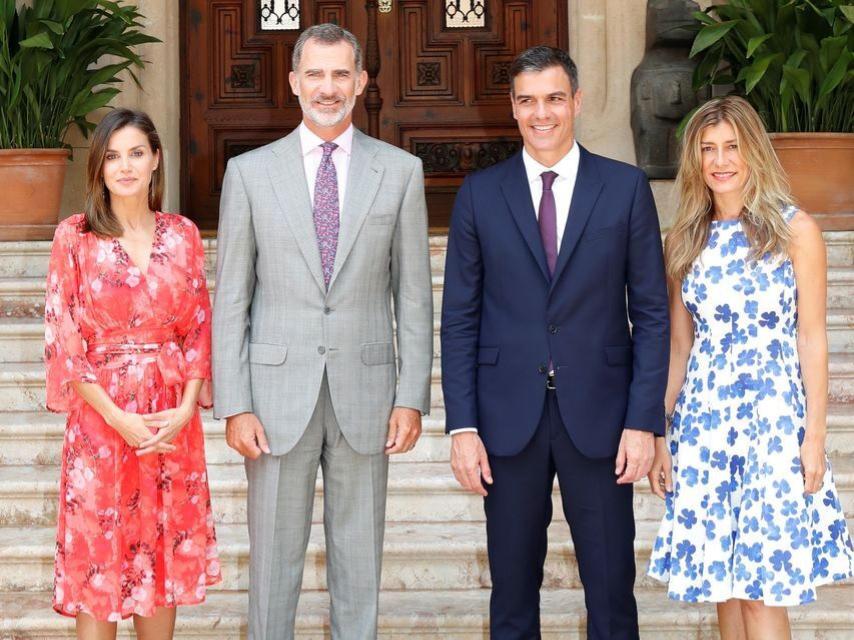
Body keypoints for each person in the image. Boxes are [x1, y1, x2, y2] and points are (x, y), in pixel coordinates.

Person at [211, 23, 433, 640]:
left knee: (360, 562)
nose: (328, 88)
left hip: (366, 392)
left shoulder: (401, 173)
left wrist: (411, 396)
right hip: (275, 398)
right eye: (315, 74)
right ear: (293, 83)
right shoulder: (250, 174)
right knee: (273, 568)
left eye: (341, 74)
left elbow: (413, 295)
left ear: (361, 82)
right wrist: (234, 403)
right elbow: (231, 297)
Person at [441, 45, 670, 639]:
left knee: (612, 592)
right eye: (527, 101)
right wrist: (462, 427)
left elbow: (650, 314)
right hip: (506, 421)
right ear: (513, 109)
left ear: (577, 102)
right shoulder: (479, 194)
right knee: (513, 596)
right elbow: (460, 319)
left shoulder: (624, 189)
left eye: (553, 99)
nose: (541, 113)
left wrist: (644, 422)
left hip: (602, 419)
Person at [647, 95, 854, 638]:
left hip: (772, 425)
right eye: (708, 149)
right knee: (725, 591)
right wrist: (661, 433)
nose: (720, 160)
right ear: (694, 160)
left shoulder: (795, 231)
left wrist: (814, 434)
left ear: (753, 152)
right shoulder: (684, 241)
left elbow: (812, 338)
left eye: (732, 147)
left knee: (763, 592)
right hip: (704, 427)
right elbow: (678, 347)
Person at [44, 109, 221, 637]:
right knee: (99, 563)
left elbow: (198, 326)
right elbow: (64, 340)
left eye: (136, 153)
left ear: (156, 159)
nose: (125, 166)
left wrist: (187, 408)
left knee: (160, 556)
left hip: (170, 419)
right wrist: (118, 418)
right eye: (113, 156)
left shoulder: (183, 234)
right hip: (102, 423)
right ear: (98, 167)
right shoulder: (74, 237)